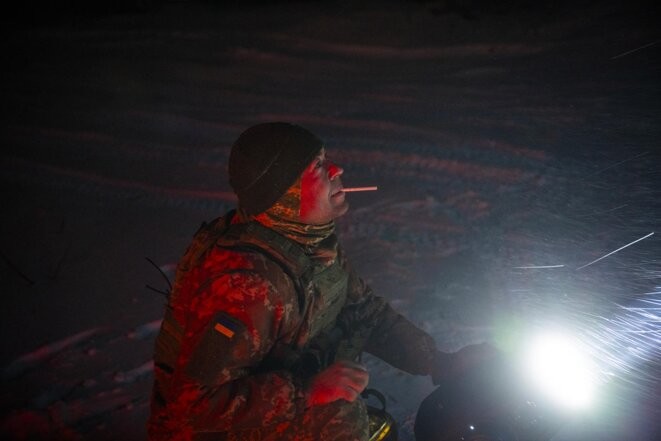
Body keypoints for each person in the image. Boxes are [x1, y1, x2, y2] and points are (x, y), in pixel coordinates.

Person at [147, 122, 492, 441]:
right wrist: (308, 392)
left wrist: (437, 361)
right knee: (337, 416)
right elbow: (192, 406)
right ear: (285, 195)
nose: (336, 170)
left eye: (325, 159)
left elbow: (363, 311)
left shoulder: (307, 244)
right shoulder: (247, 283)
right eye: (317, 167)